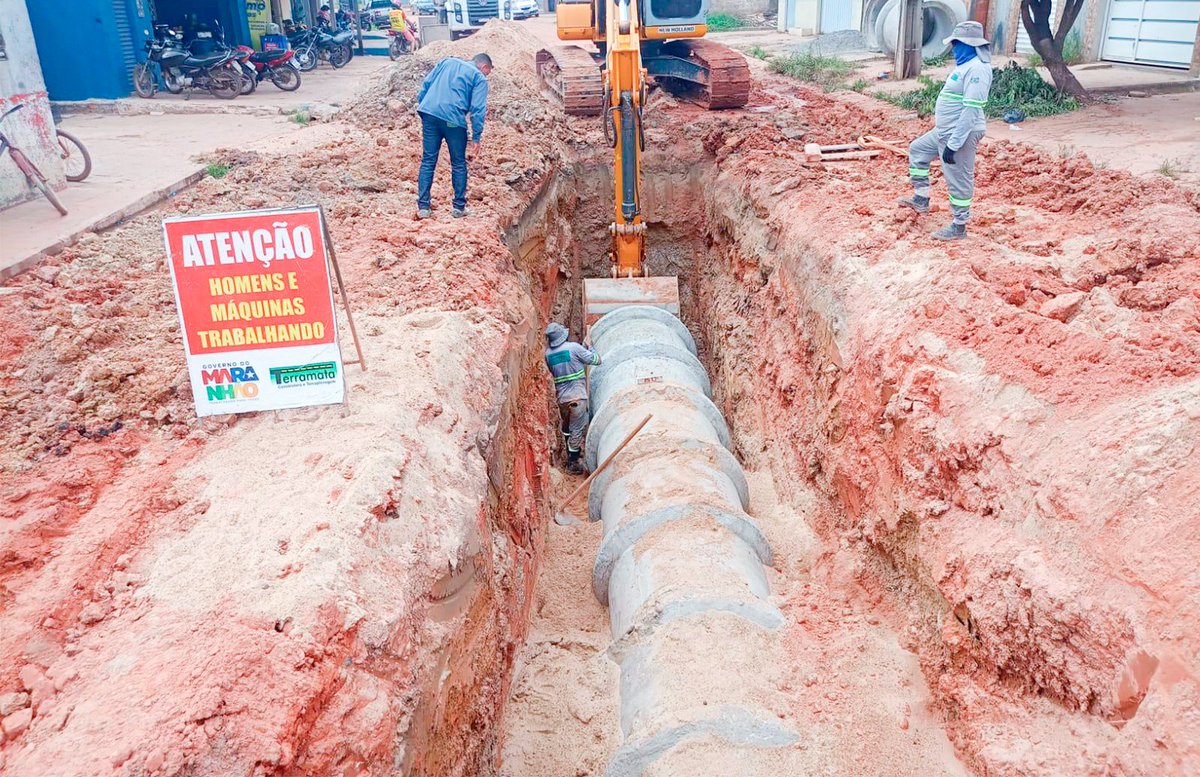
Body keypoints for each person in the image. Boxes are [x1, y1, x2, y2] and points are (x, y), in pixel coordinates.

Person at [898, 20, 993, 241]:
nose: (954, 48)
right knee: (918, 151)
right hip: (944, 131)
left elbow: (971, 110)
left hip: (959, 134)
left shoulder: (978, 69)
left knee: (958, 178)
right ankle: (921, 198)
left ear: (970, 45)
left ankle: (959, 226)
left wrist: (954, 143)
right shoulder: (964, 66)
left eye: (958, 43)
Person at [415, 53, 493, 219]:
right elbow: (477, 109)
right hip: (453, 122)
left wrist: (424, 106)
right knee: (458, 163)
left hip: (429, 114)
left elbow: (426, 84)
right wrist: (476, 137)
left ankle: (423, 207)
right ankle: (458, 207)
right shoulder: (479, 78)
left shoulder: (446, 62)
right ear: (484, 67)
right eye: (488, 72)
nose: (486, 75)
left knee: (428, 160)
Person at [544, 323, 601, 475]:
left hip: (562, 398)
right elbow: (596, 360)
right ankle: (573, 462)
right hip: (578, 396)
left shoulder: (548, 354)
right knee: (577, 428)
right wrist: (589, 347)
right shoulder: (574, 348)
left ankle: (569, 451)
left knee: (567, 426)